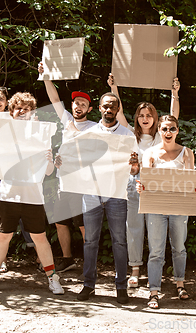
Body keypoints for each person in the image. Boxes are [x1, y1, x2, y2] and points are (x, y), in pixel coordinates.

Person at [0, 92, 64, 295]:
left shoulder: (40, 135)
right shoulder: (2, 134)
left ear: (31, 112)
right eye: (17, 108)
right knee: (3, 237)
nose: (21, 111)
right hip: (7, 194)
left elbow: (48, 171)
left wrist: (50, 159)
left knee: (39, 238)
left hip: (33, 196)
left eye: (26, 108)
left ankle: (53, 278)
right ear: (11, 112)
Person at [108, 74, 181, 288]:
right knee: (134, 227)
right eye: (141, 115)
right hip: (134, 184)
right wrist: (114, 86)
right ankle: (135, 269)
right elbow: (118, 111)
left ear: (155, 118)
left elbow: (173, 116)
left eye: (149, 115)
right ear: (137, 118)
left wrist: (175, 93)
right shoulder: (131, 135)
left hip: (157, 185)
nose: (145, 118)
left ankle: (155, 270)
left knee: (155, 228)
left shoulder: (161, 136)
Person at [74, 92, 139, 304]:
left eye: (113, 106)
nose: (109, 110)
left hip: (116, 194)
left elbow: (134, 170)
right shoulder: (88, 133)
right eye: (105, 106)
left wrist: (134, 165)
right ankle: (89, 285)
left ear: (118, 109)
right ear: (100, 108)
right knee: (90, 241)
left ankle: (121, 287)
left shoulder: (128, 136)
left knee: (119, 241)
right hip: (92, 192)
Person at [137, 115, 196, 309]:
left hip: (179, 207)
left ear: (177, 130)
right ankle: (154, 292)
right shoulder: (149, 153)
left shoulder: (186, 153)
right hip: (156, 208)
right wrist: (141, 188)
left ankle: (180, 284)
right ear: (159, 130)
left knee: (179, 248)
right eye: (164, 129)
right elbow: (146, 181)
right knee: (156, 251)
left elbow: (192, 183)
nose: (168, 133)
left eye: (172, 129)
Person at [38, 62, 97, 274]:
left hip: (83, 185)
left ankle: (90, 263)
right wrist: (45, 76)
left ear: (89, 109)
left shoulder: (95, 128)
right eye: (76, 103)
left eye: (83, 103)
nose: (78, 106)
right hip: (64, 182)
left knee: (83, 225)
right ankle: (67, 259)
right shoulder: (67, 120)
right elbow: (54, 99)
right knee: (60, 222)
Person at [0, 86, 37, 273]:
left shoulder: (20, 119)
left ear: (7, 103)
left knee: (28, 214)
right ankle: (1, 259)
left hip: (21, 177)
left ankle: (38, 253)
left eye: (1, 98)